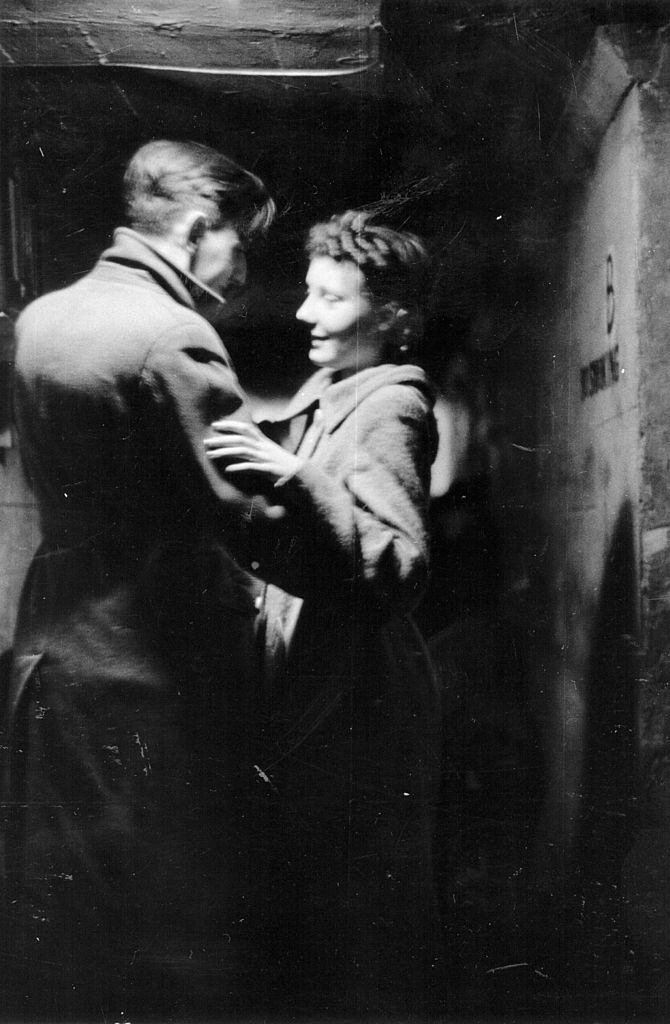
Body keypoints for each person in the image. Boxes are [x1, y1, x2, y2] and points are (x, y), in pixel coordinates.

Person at [0, 139, 280, 1020]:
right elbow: (241, 509)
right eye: (240, 244)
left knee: (73, 910)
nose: (240, 272)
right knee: (178, 917)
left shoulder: (42, 317)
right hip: (151, 660)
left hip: (54, 643)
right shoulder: (173, 332)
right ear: (200, 227)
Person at [204, 210, 445, 1018]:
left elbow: (398, 566)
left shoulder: (393, 408)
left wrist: (295, 477)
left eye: (331, 298)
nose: (305, 313)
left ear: (393, 319)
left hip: (358, 691)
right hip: (321, 674)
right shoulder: (333, 392)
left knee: (354, 918)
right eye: (308, 293)